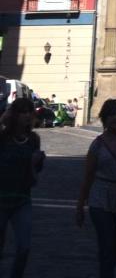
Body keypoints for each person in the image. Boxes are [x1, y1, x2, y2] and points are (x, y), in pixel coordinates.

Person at [76, 99, 116, 278]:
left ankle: (107, 270)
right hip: (100, 198)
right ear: (104, 118)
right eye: (112, 114)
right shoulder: (97, 144)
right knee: (106, 245)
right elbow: (88, 176)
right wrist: (80, 206)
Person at [0, 98, 45, 277]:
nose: (27, 115)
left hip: (22, 199)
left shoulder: (33, 139)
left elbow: (36, 171)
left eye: (29, 111)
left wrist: (38, 162)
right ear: (14, 114)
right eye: (22, 111)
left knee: (24, 247)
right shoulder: (3, 138)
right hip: (1, 197)